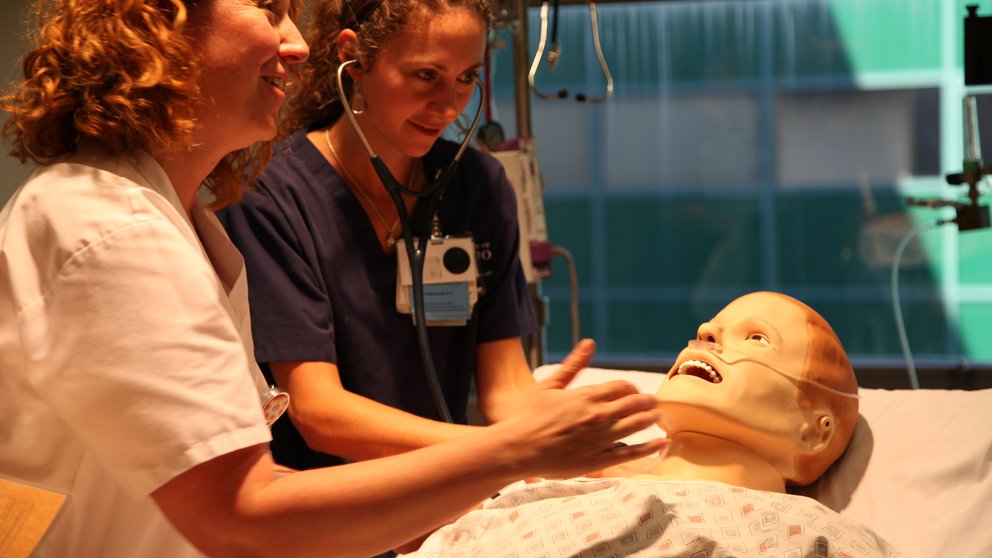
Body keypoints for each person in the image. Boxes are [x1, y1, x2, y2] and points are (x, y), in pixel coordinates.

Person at [0, 2, 667, 557]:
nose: (295, 44)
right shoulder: (114, 231)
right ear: (161, 25)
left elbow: (237, 487)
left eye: (467, 77)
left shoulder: (175, 222)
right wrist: (512, 453)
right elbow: (246, 508)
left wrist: (520, 461)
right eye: (270, 9)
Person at [217, 0, 543, 470]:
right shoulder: (272, 196)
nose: (449, 105)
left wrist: (586, 424)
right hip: (333, 515)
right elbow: (319, 412)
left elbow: (508, 388)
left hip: (447, 500)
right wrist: (500, 451)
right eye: (426, 75)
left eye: (466, 77)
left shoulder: (478, 186)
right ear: (357, 60)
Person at [401, 292, 903, 557]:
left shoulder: (812, 537)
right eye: (710, 327)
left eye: (756, 339)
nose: (705, 333)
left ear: (813, 430)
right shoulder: (537, 489)